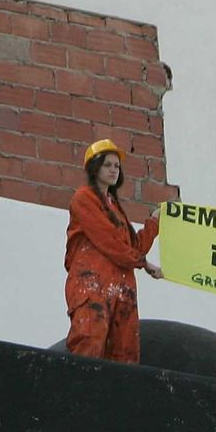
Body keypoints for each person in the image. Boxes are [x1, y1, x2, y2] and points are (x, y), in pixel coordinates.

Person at [64, 139, 162, 363]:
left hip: (122, 289)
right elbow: (108, 241)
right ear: (95, 168)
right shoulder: (84, 198)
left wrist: (156, 223)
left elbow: (133, 247)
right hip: (92, 283)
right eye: (107, 165)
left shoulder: (115, 207)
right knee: (90, 340)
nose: (113, 170)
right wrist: (143, 263)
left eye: (117, 166)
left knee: (125, 354)